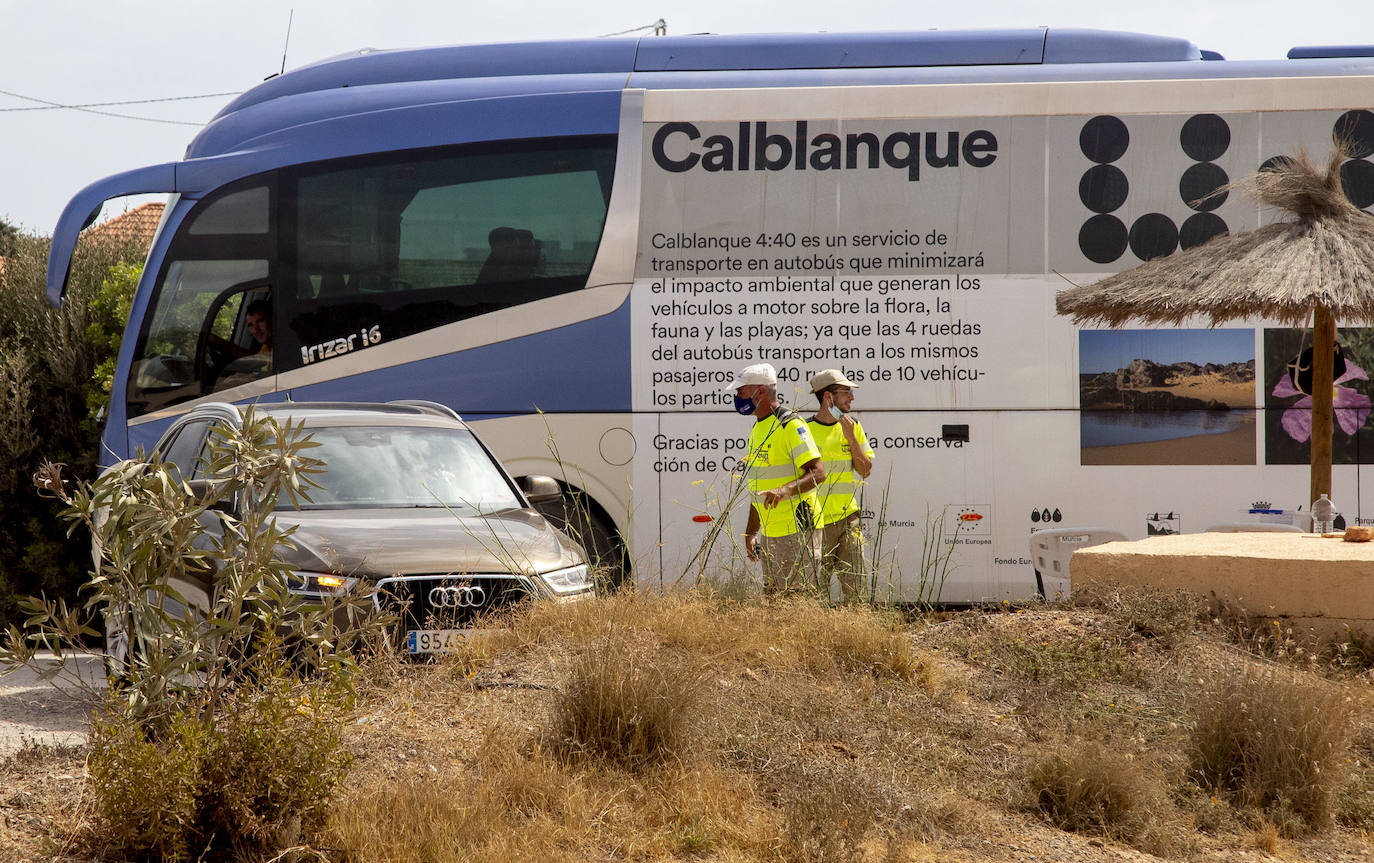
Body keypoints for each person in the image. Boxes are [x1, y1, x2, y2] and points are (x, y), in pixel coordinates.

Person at [726, 363, 826, 594]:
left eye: (741, 391)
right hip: (771, 533)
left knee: (798, 604)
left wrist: (785, 490)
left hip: (799, 531)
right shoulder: (757, 428)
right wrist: (752, 532)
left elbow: (818, 472)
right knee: (774, 604)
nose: (737, 396)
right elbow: (758, 487)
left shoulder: (790, 424)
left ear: (760, 391)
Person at [806, 370, 875, 603]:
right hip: (817, 523)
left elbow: (865, 470)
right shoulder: (804, 430)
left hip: (848, 520)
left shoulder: (853, 426)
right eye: (846, 392)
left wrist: (851, 437)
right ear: (828, 397)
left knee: (857, 591)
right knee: (816, 592)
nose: (852, 397)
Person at [245, 298, 273, 363]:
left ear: (272, 319)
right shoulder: (266, 348)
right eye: (250, 325)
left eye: (260, 321)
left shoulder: (285, 347)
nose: (256, 329)